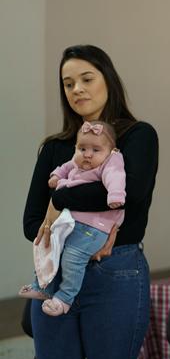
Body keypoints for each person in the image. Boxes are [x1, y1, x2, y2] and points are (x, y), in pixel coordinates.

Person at [23, 44, 158, 359]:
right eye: (68, 84)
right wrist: (87, 213)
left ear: (107, 80)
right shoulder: (55, 148)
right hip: (54, 276)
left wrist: (60, 199)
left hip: (115, 274)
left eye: (86, 79)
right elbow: (32, 223)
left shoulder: (138, 136)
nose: (77, 89)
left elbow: (127, 196)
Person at [20, 120, 126, 317]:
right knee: (51, 246)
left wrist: (115, 195)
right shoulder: (78, 162)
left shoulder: (111, 161)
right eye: (82, 148)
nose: (87, 154)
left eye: (95, 150)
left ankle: (64, 299)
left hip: (95, 226)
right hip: (73, 221)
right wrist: (56, 176)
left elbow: (115, 176)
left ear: (111, 151)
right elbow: (65, 167)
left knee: (73, 258)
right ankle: (43, 286)